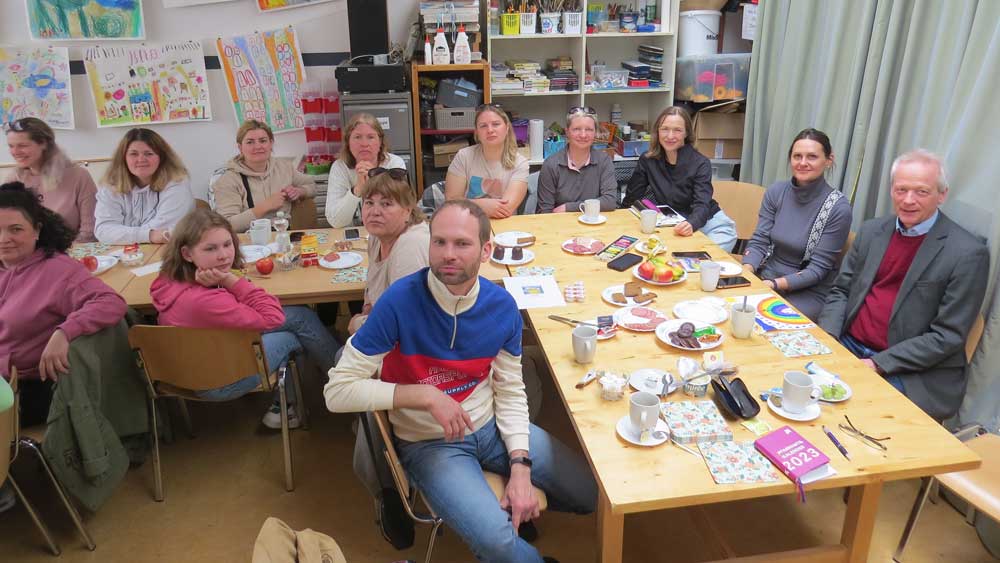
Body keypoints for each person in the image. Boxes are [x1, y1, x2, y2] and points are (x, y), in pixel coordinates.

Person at [325, 200, 597, 562]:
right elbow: (337, 391)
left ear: (486, 250)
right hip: (431, 444)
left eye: (461, 244)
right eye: (439, 242)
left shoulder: (501, 306)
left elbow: (511, 391)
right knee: (499, 545)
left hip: (492, 428)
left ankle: (502, 511)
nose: (447, 254)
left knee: (592, 493)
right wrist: (425, 396)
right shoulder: (399, 302)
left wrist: (520, 468)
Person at [818, 150, 989, 421]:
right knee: (793, 388)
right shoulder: (873, 230)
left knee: (851, 418)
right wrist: (828, 339)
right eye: (901, 190)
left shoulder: (967, 253)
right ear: (892, 190)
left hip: (910, 370)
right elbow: (842, 290)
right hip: (848, 344)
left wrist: (877, 364)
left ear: (941, 195)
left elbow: (948, 336)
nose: (908, 200)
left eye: (921, 192)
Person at [151, 208, 341, 429]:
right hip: (216, 381)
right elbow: (272, 316)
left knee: (300, 315)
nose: (223, 255)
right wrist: (233, 281)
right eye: (210, 248)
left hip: (192, 364)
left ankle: (290, 405)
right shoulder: (204, 302)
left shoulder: (169, 279)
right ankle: (338, 384)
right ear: (187, 253)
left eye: (227, 244)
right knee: (295, 327)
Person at [0, 182, 127, 427]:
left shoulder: (58, 270)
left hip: (27, 389)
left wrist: (65, 332)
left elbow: (111, 302)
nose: (4, 239)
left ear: (37, 230)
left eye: (15, 229)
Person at [741, 129, 852, 320]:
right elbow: (760, 240)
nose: (802, 163)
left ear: (828, 160)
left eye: (812, 157)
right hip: (767, 276)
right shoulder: (776, 192)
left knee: (761, 319)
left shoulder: (837, 208)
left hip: (808, 291)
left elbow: (817, 270)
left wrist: (774, 285)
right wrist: (747, 271)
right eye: (797, 156)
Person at [622, 107, 737, 251]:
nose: (670, 136)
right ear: (657, 131)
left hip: (710, 225)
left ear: (686, 133)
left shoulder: (700, 163)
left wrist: (692, 223)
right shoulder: (648, 159)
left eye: (677, 130)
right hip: (674, 224)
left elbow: (702, 204)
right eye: (665, 129)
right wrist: (621, 221)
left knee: (700, 263)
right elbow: (632, 197)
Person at [348, 169, 429, 335]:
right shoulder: (377, 237)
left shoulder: (410, 245)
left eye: (386, 204)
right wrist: (368, 307)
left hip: (411, 345)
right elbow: (372, 287)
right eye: (369, 202)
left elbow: (404, 321)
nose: (375, 211)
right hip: (385, 330)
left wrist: (358, 324)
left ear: (407, 210)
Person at [94, 128, 194, 244]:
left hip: (166, 252)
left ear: (161, 158)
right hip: (123, 254)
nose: (141, 159)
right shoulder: (111, 185)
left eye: (149, 153)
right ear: (123, 158)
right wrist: (150, 235)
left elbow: (164, 231)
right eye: (133, 154)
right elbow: (103, 231)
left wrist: (122, 235)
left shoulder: (177, 184)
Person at [213, 120, 316, 232]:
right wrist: (264, 207)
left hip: (284, 235)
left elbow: (312, 186)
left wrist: (299, 191)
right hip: (248, 242)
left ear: (271, 143)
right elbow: (227, 225)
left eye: (263, 141)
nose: (258, 146)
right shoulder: (227, 181)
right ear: (240, 147)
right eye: (250, 142)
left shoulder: (284, 167)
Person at [4, 118, 97, 242]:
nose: (15, 152)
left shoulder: (78, 176)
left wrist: (61, 256)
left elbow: (89, 231)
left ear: (43, 143)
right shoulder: (13, 180)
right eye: (11, 146)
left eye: (22, 145)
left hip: (69, 251)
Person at [444, 105, 530, 219]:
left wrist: (469, 204)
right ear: (477, 132)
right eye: (483, 126)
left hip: (503, 226)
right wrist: (482, 205)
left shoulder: (520, 163)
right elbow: (450, 202)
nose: (490, 130)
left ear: (507, 128)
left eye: (496, 124)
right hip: (467, 223)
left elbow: (506, 209)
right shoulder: (463, 156)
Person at [325, 113, 407, 228]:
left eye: (371, 137)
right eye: (357, 137)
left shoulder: (395, 164)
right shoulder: (339, 167)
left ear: (380, 142)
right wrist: (357, 189)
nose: (364, 144)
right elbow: (335, 222)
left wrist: (376, 180)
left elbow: (401, 213)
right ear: (348, 142)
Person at [536, 107, 618, 214]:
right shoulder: (551, 165)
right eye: (576, 129)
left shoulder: (604, 161)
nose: (583, 135)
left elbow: (610, 202)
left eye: (589, 129)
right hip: (560, 225)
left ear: (595, 133)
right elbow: (544, 212)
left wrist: (568, 207)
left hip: (593, 224)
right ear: (567, 132)